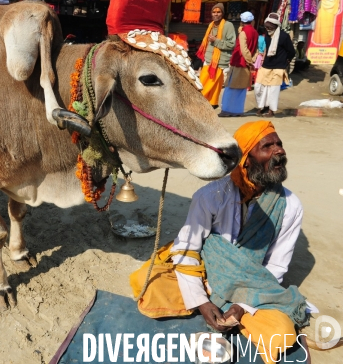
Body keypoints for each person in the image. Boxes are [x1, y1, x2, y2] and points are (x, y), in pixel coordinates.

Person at [131, 121, 309, 364]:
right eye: (267, 146)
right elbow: (187, 247)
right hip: (205, 278)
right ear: (246, 159)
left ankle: (231, 312)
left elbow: (275, 267)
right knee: (148, 283)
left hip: (251, 286)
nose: (279, 151)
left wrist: (242, 306)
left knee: (282, 333)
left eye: (279, 144)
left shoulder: (290, 206)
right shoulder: (212, 195)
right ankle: (210, 307)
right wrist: (202, 301)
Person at [254, 13, 295, 117]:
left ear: (276, 25)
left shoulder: (284, 36)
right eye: (266, 26)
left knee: (273, 90)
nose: (267, 29)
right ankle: (263, 106)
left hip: (278, 67)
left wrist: (286, 61)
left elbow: (291, 51)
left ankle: (271, 111)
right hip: (266, 65)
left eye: (269, 27)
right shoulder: (267, 35)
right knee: (259, 87)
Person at [196, 3, 236, 108]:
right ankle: (205, 104)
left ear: (223, 14)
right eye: (214, 12)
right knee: (203, 83)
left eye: (218, 12)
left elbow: (232, 44)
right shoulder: (211, 25)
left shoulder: (228, 25)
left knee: (213, 86)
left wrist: (216, 41)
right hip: (208, 60)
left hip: (220, 61)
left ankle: (207, 104)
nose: (216, 14)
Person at [219, 12, 258, 117]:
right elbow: (257, 50)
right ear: (252, 21)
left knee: (231, 87)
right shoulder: (255, 32)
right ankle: (237, 110)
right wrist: (252, 61)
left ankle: (226, 110)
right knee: (241, 88)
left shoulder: (243, 33)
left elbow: (244, 50)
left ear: (241, 21)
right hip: (246, 65)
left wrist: (249, 60)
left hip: (239, 63)